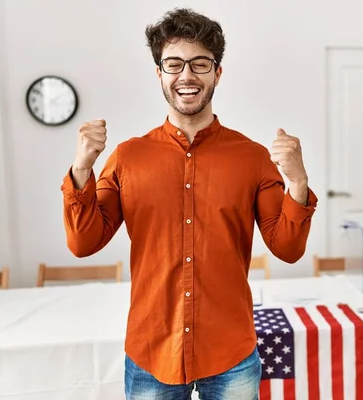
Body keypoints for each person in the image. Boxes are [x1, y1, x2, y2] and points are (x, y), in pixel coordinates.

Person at [60, 7, 317, 400]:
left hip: (231, 352)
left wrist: (297, 181)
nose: (187, 76)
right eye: (174, 64)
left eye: (200, 64)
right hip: (152, 352)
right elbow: (83, 243)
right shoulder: (128, 157)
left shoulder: (252, 157)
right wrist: (81, 169)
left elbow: (288, 249)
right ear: (159, 74)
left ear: (217, 72)